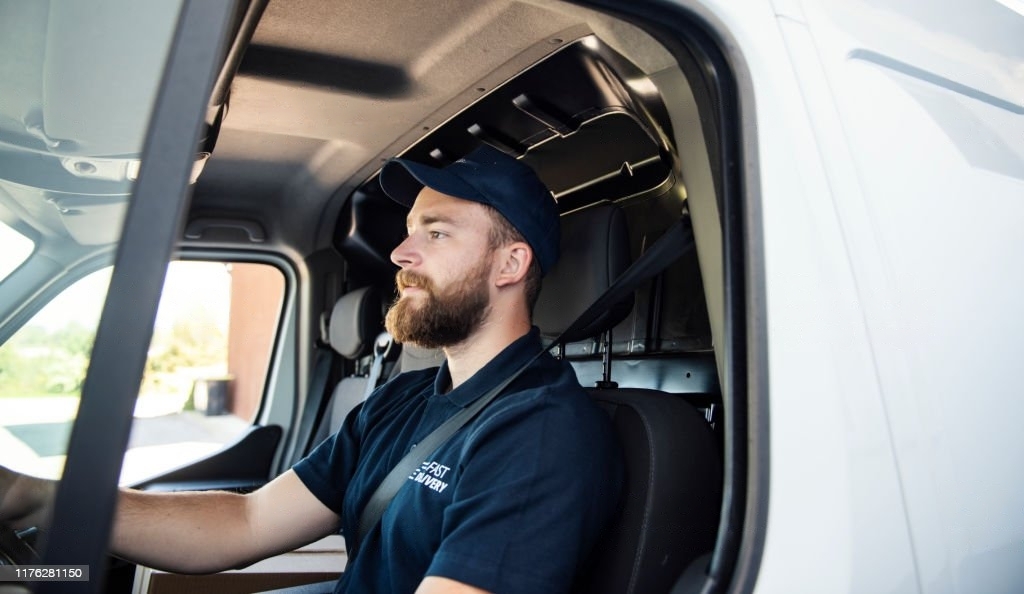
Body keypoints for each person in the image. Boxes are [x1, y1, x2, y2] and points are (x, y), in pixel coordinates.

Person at [0, 144, 624, 594]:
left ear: (510, 264)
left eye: (435, 234)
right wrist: (41, 497)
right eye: (409, 231)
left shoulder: (538, 434)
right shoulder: (402, 399)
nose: (399, 254)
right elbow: (246, 522)